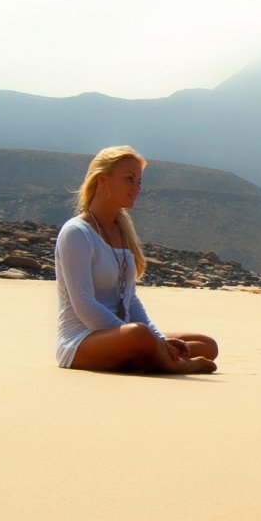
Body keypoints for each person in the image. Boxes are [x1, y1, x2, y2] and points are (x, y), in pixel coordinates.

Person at [54, 146, 220, 374]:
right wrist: (146, 340)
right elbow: (84, 306)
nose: (136, 188)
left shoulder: (121, 231)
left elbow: (131, 300)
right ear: (103, 181)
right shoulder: (76, 233)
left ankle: (147, 358)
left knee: (206, 345)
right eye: (130, 179)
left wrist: (159, 339)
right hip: (82, 340)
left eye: (139, 181)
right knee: (139, 333)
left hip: (125, 334)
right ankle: (173, 364)